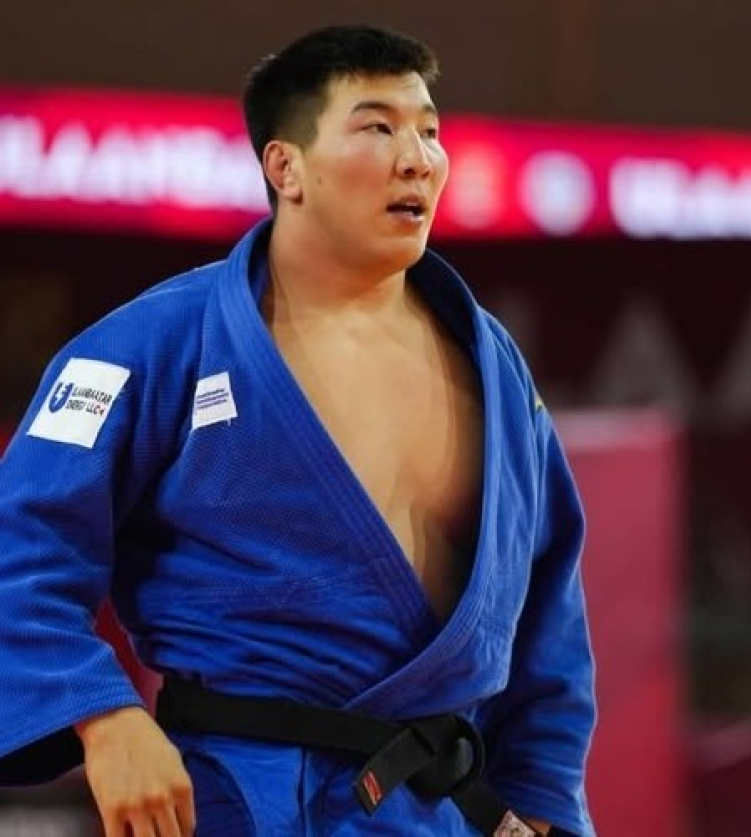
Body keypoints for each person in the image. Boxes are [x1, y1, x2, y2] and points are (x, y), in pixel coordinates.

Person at [0, 23, 596, 837]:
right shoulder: (151, 344)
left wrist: (540, 800)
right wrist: (103, 715)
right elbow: (20, 551)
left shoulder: (493, 366)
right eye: (377, 127)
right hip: (243, 800)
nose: (418, 158)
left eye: (428, 131)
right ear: (286, 168)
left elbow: (547, 612)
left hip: (443, 812)